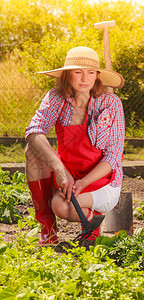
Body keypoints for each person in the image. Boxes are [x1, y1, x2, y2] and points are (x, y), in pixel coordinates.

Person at [25, 46, 125, 245]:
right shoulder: (57, 98)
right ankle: (48, 230)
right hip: (68, 173)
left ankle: (92, 223)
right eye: (78, 72)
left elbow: (113, 157)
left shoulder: (111, 103)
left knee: (61, 206)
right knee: (32, 150)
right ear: (67, 75)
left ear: (97, 76)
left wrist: (83, 183)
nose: (84, 78)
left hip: (100, 181)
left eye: (90, 73)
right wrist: (59, 168)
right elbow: (34, 131)